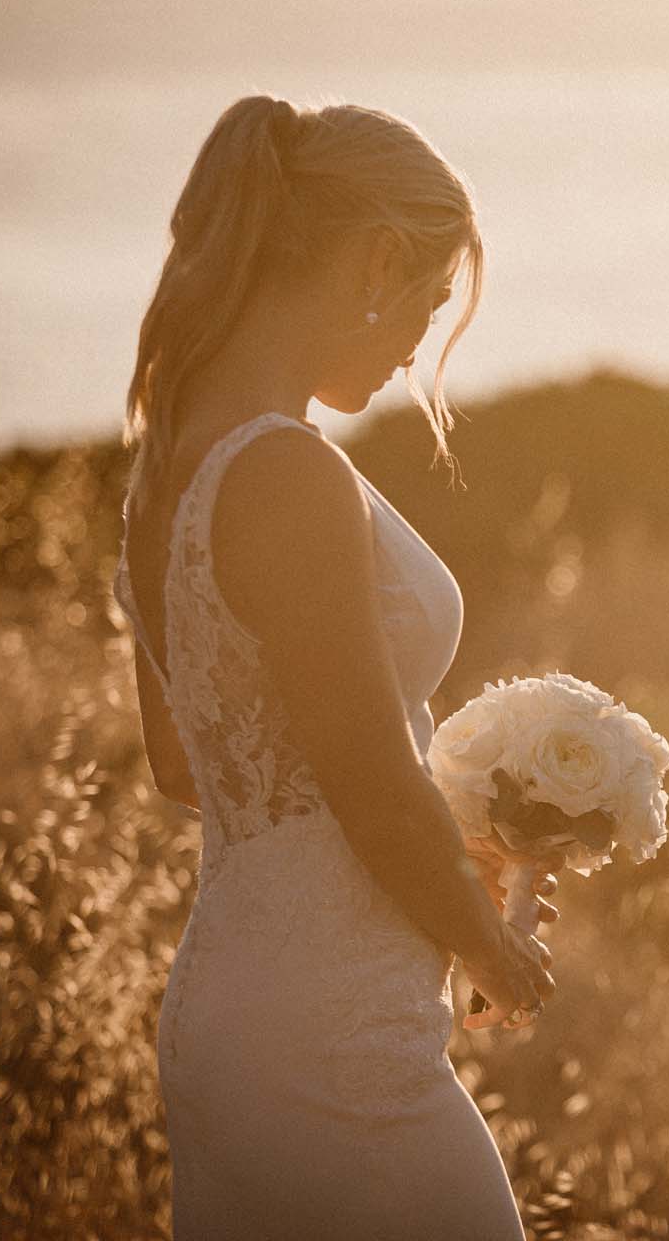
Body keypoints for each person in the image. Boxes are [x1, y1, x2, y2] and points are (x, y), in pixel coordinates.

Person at [112, 94, 561, 1238]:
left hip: (228, 1020)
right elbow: (362, 776)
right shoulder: (289, 475)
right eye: (427, 297)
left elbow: (192, 764)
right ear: (373, 257)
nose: (421, 338)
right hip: (333, 1041)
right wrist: (490, 943)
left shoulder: (168, 469)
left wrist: (464, 834)